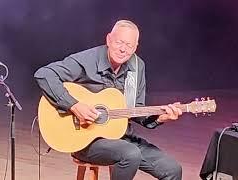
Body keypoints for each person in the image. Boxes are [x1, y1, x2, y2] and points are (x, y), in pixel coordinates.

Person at [34, 20, 182, 180]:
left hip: (122, 136)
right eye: (119, 42)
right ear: (109, 40)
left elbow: (135, 109)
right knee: (130, 154)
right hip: (86, 140)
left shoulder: (137, 66)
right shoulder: (88, 60)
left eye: (129, 45)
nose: (123, 49)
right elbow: (44, 74)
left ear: (135, 47)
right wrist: (74, 105)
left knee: (173, 169)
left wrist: (160, 117)